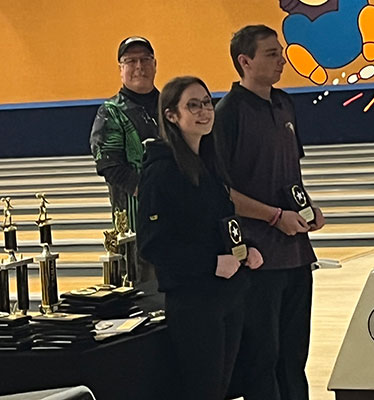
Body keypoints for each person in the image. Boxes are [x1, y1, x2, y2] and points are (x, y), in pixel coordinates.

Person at [212, 25, 325, 400]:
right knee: (263, 357)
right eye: (271, 54)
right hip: (259, 255)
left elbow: (292, 171)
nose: (282, 59)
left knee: (294, 355)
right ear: (245, 61)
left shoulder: (284, 103)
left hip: (295, 251)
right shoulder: (228, 113)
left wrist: (309, 208)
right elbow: (221, 190)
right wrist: (274, 217)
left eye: (280, 51)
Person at [136, 76, 263, 400]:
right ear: (171, 115)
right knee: (202, 391)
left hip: (227, 295)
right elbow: (153, 244)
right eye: (193, 105)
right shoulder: (161, 172)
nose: (205, 111)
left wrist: (245, 250)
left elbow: (217, 226)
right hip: (194, 302)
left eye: (207, 102)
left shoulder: (208, 163)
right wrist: (209, 263)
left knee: (223, 389)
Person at [90, 36, 159, 286]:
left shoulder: (171, 106)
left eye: (144, 59)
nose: (139, 66)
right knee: (145, 298)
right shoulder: (111, 112)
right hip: (136, 230)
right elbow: (110, 166)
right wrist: (151, 193)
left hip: (178, 226)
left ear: (155, 64)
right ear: (121, 69)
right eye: (130, 61)